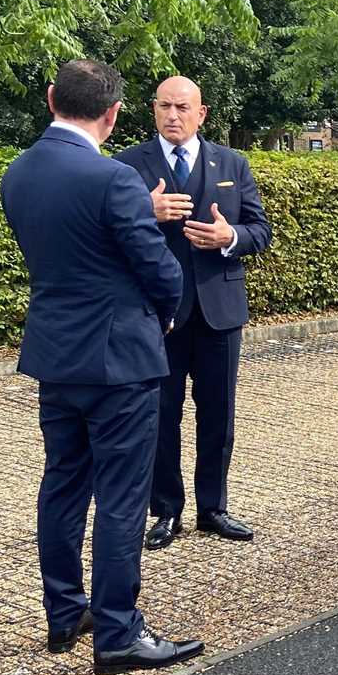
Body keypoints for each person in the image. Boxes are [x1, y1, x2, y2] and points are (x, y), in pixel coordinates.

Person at [0, 59, 203, 674]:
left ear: (50, 98)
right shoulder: (112, 178)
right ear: (113, 114)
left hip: (55, 356)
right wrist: (163, 316)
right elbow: (160, 269)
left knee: (62, 482)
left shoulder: (18, 172)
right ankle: (117, 632)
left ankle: (65, 612)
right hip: (120, 362)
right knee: (121, 495)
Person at [114, 77, 272, 550]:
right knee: (160, 415)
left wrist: (231, 239)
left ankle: (213, 508)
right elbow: (107, 234)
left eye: (183, 107)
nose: (173, 116)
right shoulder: (126, 167)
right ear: (153, 110)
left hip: (218, 311)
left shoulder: (231, 163)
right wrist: (146, 209)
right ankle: (166, 511)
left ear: (202, 114)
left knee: (219, 412)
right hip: (156, 314)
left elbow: (259, 229)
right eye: (164, 106)